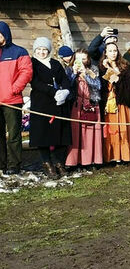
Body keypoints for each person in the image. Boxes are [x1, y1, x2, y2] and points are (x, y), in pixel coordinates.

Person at [29, 37, 72, 179]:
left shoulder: (55, 63)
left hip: (58, 103)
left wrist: (65, 91)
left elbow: (64, 79)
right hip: (41, 103)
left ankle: (60, 162)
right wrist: (53, 92)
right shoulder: (32, 63)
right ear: (35, 50)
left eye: (44, 49)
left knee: (59, 133)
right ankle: (47, 163)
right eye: (39, 49)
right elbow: (35, 82)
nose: (42, 52)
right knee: (43, 134)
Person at [0, 21, 33, 175]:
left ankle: (14, 165)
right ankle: (1, 164)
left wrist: (14, 89)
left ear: (5, 34)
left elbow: (26, 72)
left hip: (12, 100)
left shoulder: (19, 52)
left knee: (13, 135)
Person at [99, 41, 130, 164]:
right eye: (110, 51)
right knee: (112, 130)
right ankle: (113, 155)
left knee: (123, 129)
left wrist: (116, 76)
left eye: (115, 50)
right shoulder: (101, 67)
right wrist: (107, 70)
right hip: (109, 103)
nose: (113, 53)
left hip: (122, 102)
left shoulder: (124, 66)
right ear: (105, 53)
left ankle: (125, 155)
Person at [65, 49, 103, 170]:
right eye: (78, 58)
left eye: (84, 59)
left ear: (87, 59)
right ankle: (73, 161)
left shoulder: (93, 69)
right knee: (76, 133)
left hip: (91, 103)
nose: (81, 61)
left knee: (91, 132)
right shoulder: (69, 70)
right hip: (76, 104)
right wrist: (74, 74)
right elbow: (67, 85)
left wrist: (86, 74)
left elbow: (98, 85)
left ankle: (91, 160)